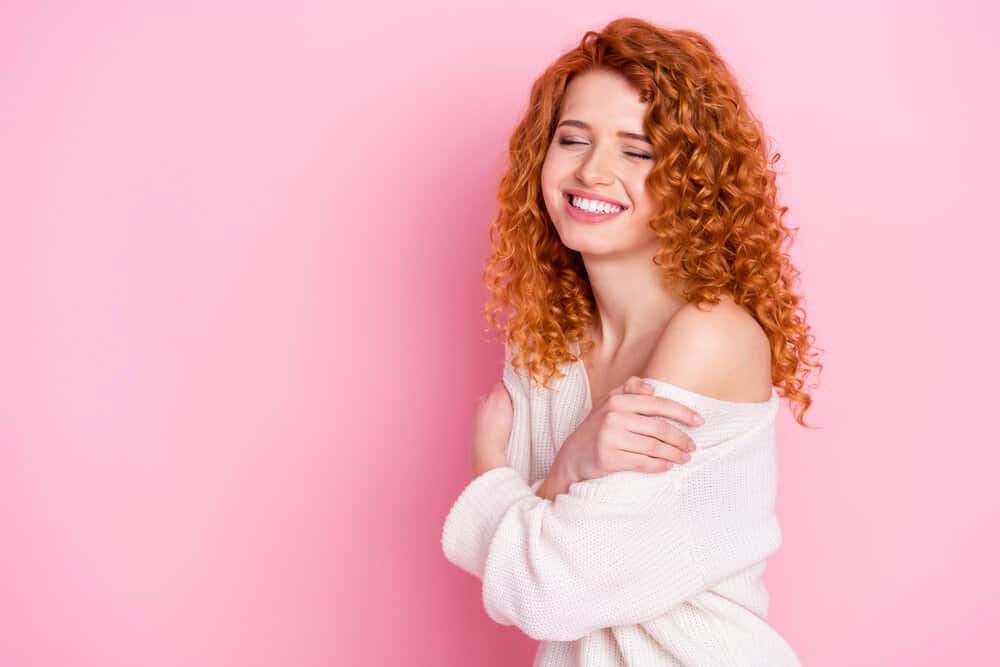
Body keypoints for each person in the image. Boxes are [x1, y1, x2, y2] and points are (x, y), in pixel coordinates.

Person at [442, 17, 821, 666]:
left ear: (693, 181)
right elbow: (542, 556)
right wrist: (568, 467)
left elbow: (545, 590)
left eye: (637, 151)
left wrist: (486, 461)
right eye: (572, 138)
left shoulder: (710, 337)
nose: (593, 171)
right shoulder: (546, 345)